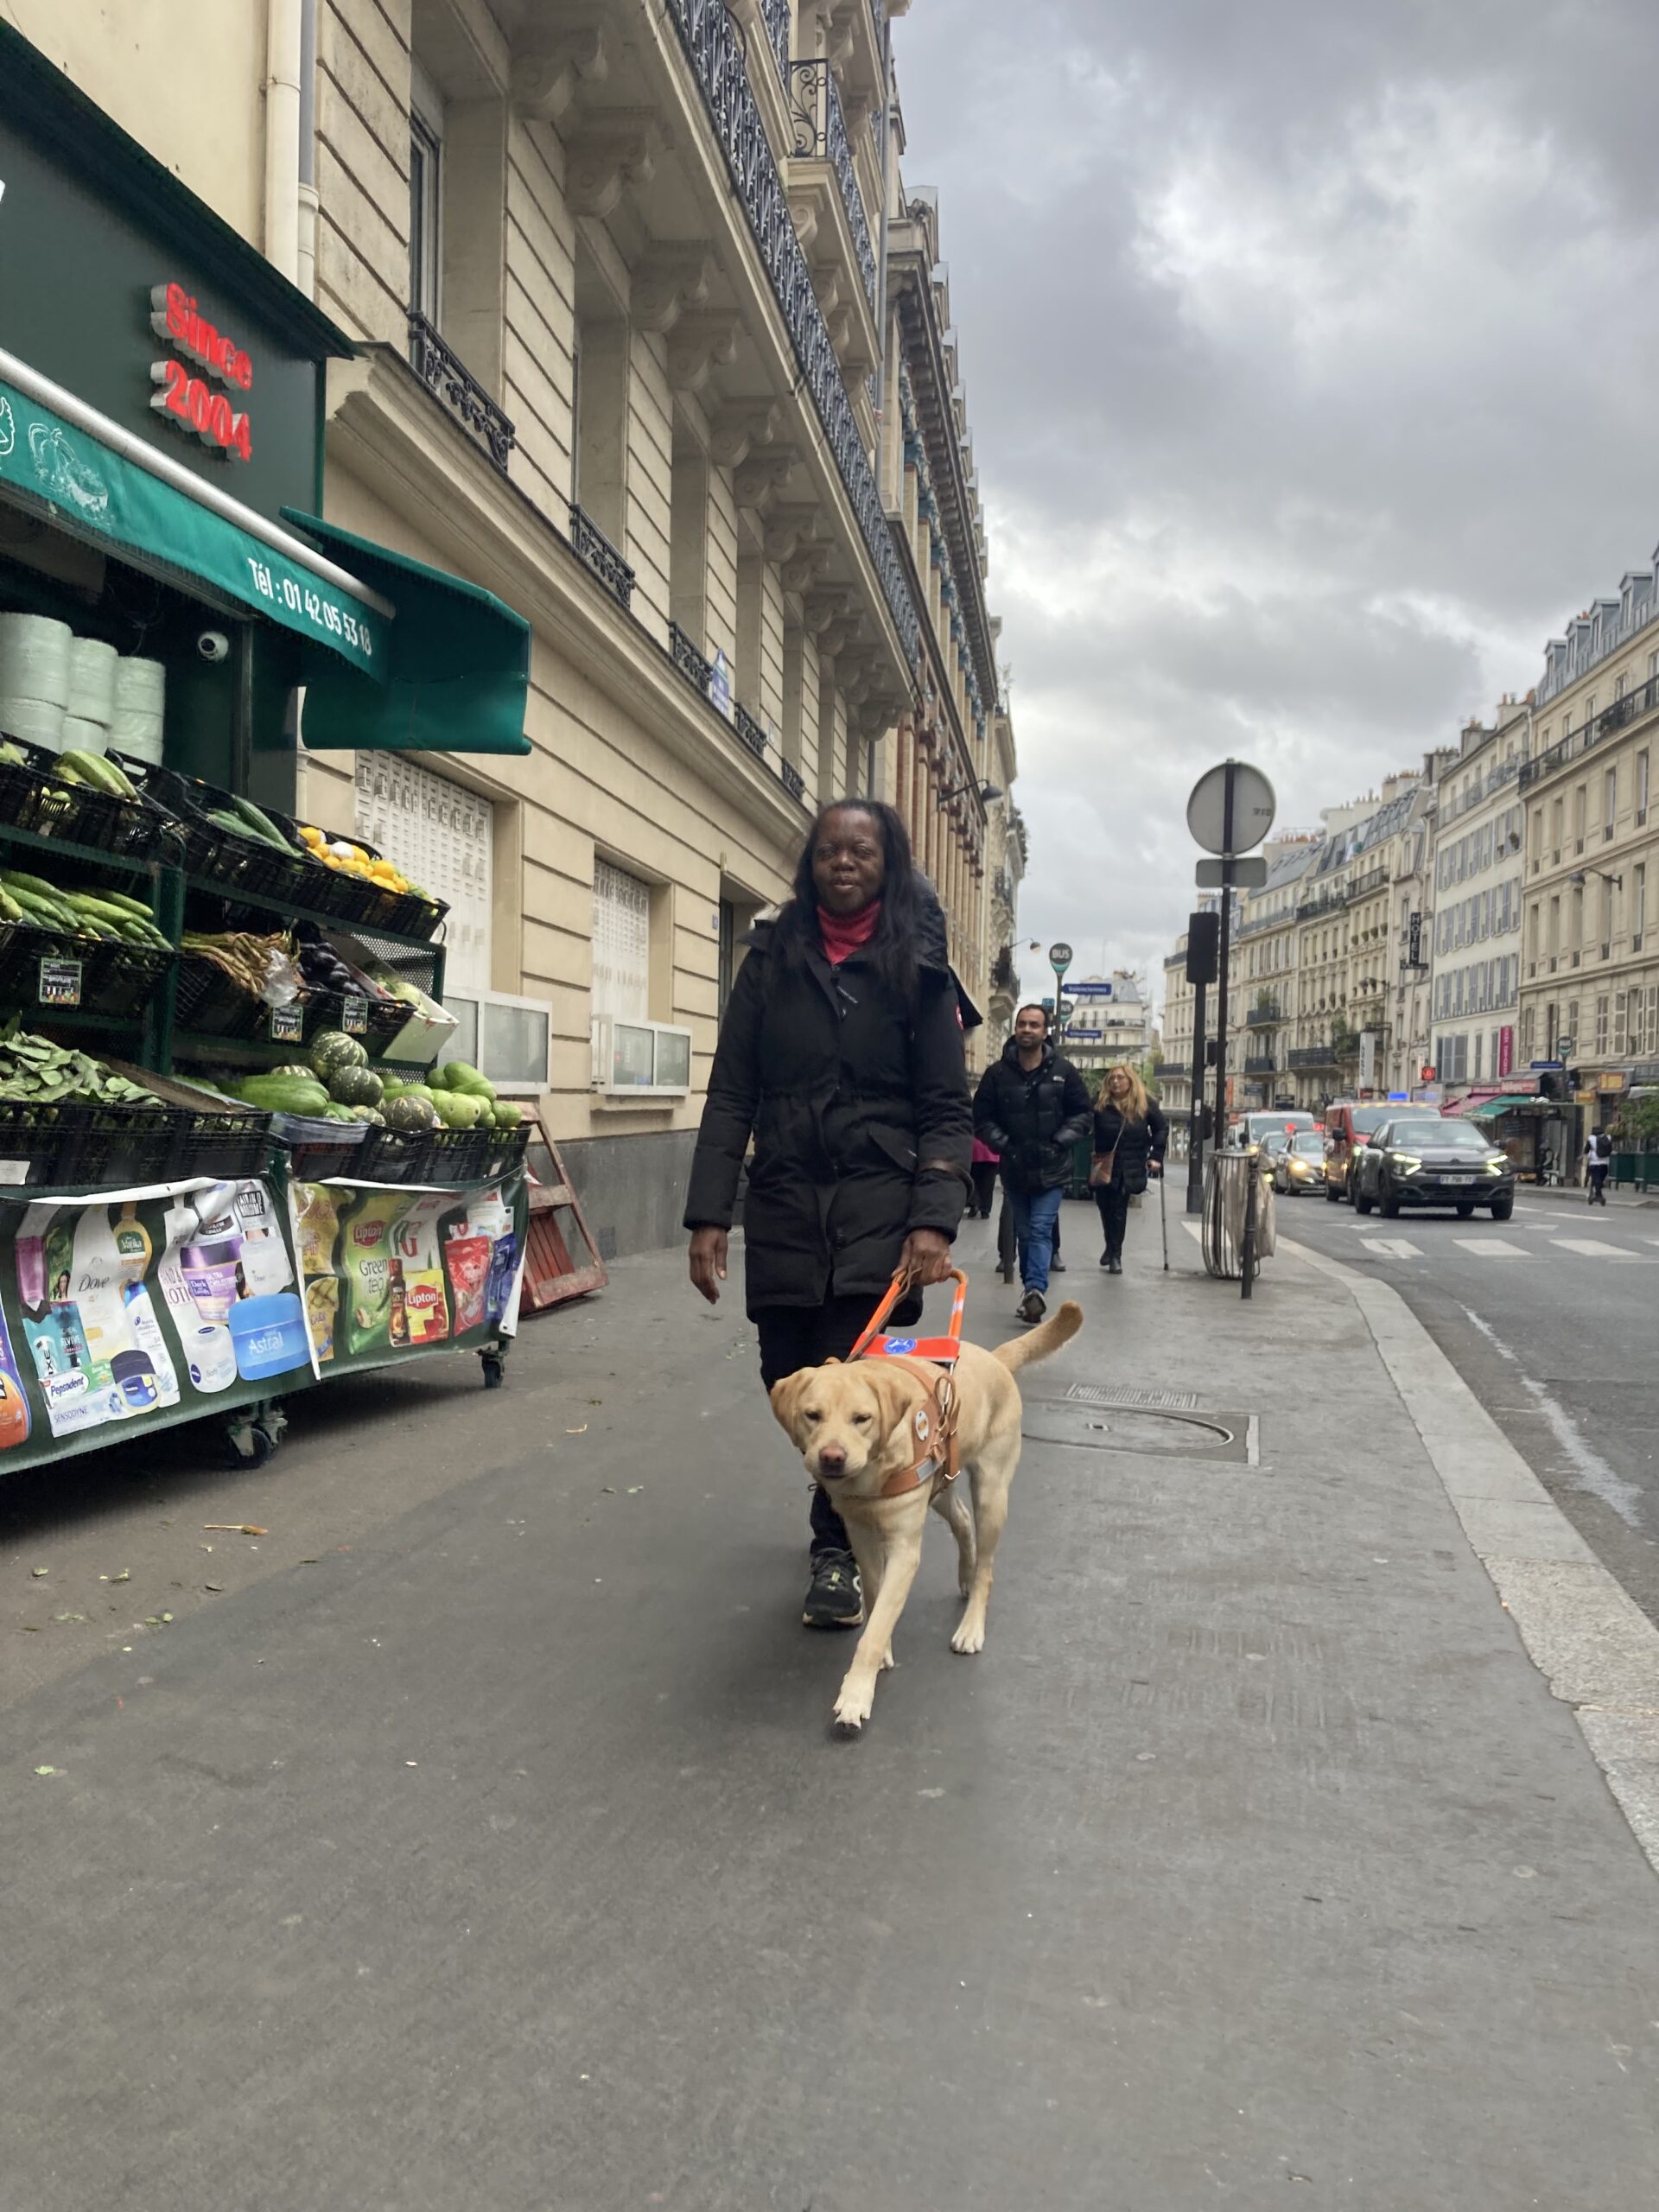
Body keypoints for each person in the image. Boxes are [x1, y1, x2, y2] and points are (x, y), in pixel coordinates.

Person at [683, 799, 972, 1630]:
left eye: (864, 852)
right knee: (790, 1379)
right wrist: (710, 1213)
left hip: (882, 1213)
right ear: (810, 865)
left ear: (890, 866)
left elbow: (946, 1107)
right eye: (828, 852)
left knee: (858, 1386)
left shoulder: (920, 973)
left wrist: (934, 1220)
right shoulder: (771, 958)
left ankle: (837, 1551)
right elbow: (732, 1089)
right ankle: (843, 1504)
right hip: (782, 1202)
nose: (844, 863)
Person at [972, 1003, 1090, 1324]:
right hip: (1015, 1167)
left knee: (1040, 1228)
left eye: (1034, 1025)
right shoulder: (997, 1074)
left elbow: (1082, 1114)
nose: (1027, 1029)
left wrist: (1058, 1143)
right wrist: (1006, 1146)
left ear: (1045, 1031)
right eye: (1022, 1024)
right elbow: (982, 1117)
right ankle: (1030, 1293)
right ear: (1016, 1029)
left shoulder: (1064, 1072)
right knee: (1024, 1232)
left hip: (1052, 1168)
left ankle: (1036, 1289)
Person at [1090, 1063, 1168, 1274]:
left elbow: (1161, 1128)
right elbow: (1083, 1122)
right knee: (1104, 1206)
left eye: (1120, 1078)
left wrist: (1156, 1156)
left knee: (1118, 1208)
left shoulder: (1144, 1104)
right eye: (1112, 1078)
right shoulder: (1100, 1102)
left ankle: (1116, 1255)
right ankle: (1110, 1244)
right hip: (1103, 1162)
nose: (1116, 1081)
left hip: (1130, 1163)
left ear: (1130, 1081)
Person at [969, 1135, 1001, 1219]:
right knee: (988, 1185)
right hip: (991, 1153)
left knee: (973, 1181)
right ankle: (985, 1210)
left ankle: (974, 1204)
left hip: (974, 1152)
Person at [1586, 1126, 1612, 1206]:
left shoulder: (1591, 1138)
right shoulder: (1608, 1138)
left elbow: (1586, 1150)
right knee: (1600, 1179)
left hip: (1594, 1163)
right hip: (1605, 1163)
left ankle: (1598, 1195)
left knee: (1596, 1179)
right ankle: (1598, 1193)